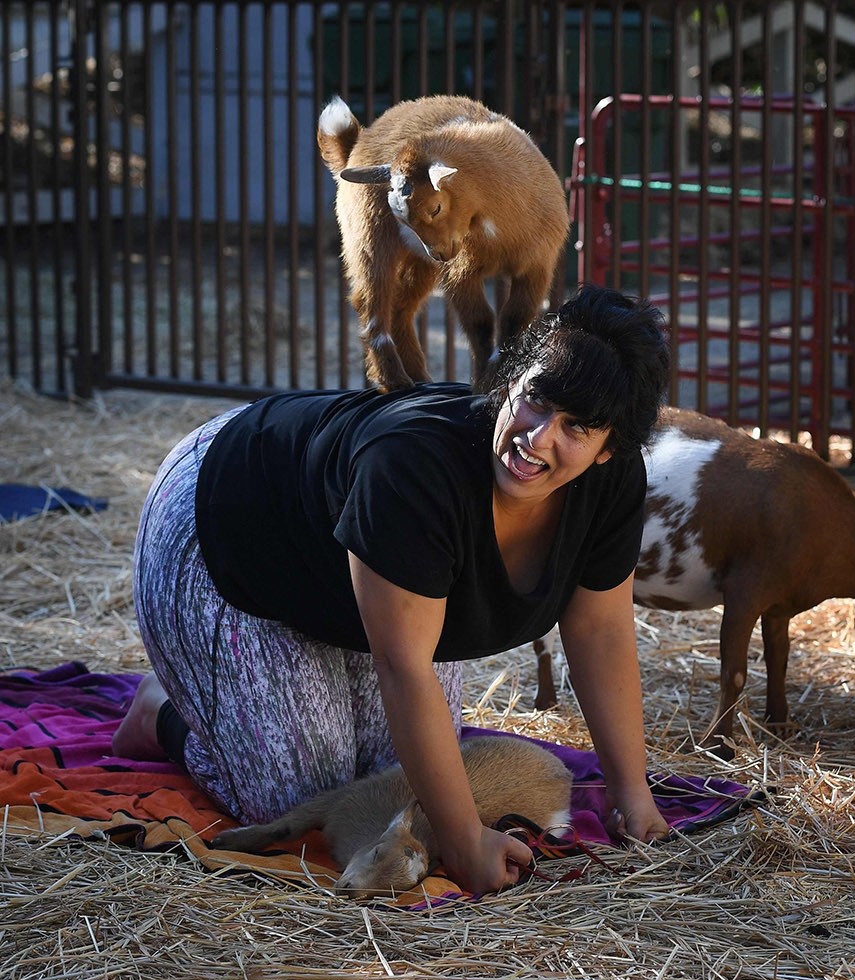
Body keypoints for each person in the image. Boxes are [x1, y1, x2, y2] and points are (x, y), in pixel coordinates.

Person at [113, 285, 674, 896]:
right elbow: (403, 665)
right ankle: (160, 712)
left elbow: (601, 629)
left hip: (359, 591)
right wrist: (464, 845)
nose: (537, 437)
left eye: (575, 426)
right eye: (535, 399)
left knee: (390, 794)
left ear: (608, 449)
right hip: (226, 528)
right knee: (298, 800)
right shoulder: (414, 465)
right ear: (510, 380)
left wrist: (632, 796)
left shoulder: (612, 482)